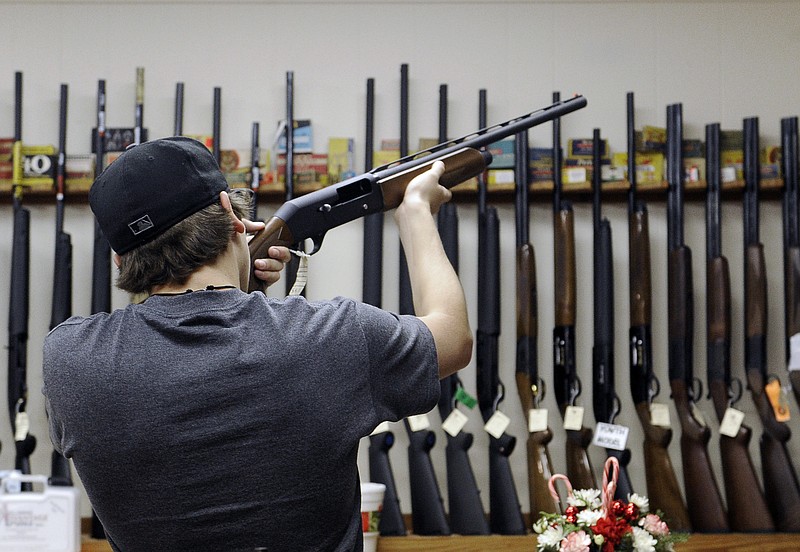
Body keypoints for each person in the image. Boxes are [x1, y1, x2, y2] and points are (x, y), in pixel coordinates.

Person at [42, 136, 472, 552]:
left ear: (120, 258)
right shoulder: (330, 337)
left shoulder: (69, 361)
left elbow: (188, 366)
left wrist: (238, 290)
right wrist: (415, 211)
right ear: (231, 213)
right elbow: (452, 338)